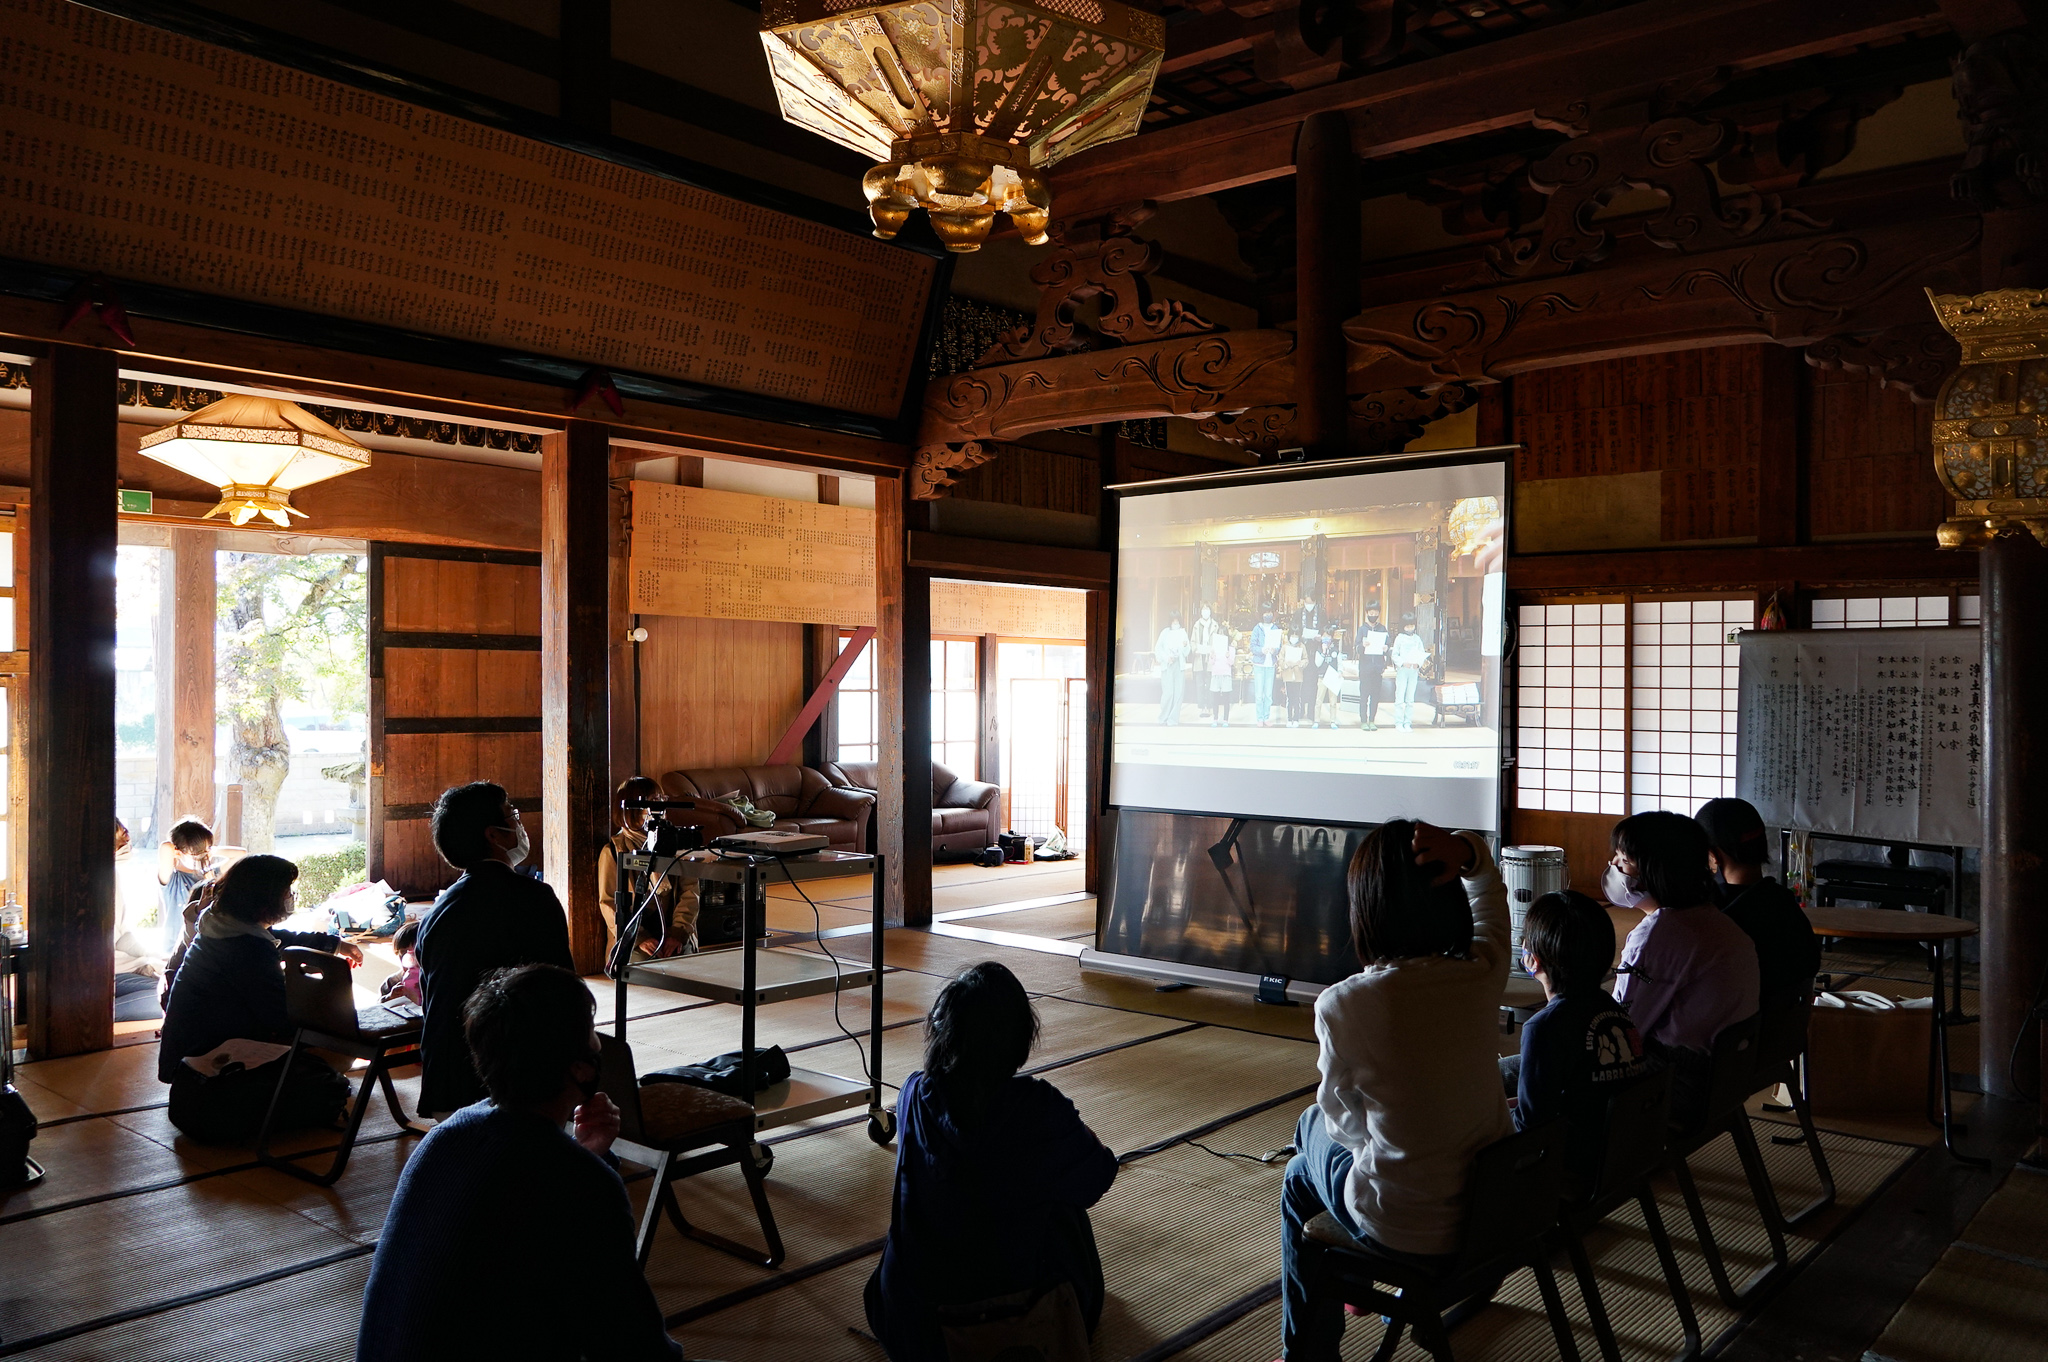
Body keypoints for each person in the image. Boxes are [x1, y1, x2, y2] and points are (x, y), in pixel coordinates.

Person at [355, 964, 682, 1362]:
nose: (598, 1043)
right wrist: (586, 1166)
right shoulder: (581, 1182)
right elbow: (634, 1346)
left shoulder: (446, 1138)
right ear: (580, 1067)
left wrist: (586, 1154)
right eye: (592, 1032)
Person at [1282, 820, 1511, 1360]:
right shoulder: (1481, 972)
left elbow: (1341, 1122)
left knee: (1301, 1160)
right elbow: (1492, 903)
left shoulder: (1344, 1004)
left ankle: (1311, 1352)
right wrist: (1468, 853)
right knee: (1326, 1144)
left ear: (1365, 908)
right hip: (1495, 1215)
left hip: (1407, 1230)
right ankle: (1357, 1290)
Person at [866, 962, 1117, 1362]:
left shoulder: (913, 1093)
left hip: (913, 1329)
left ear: (941, 1034)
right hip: (1019, 1326)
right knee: (1065, 1199)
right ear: (1020, 1038)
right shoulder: (1039, 1107)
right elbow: (1099, 1174)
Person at [157, 854, 362, 1143]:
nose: (290, 898)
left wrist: (333, 944)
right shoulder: (247, 950)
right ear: (264, 900)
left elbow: (277, 936)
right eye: (287, 892)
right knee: (339, 1053)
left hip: (187, 1057)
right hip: (214, 1061)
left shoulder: (219, 924)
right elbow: (280, 1018)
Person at [416, 781, 576, 1117]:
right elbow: (564, 992)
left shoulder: (437, 912)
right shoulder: (533, 898)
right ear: (493, 834)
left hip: (443, 1082)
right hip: (504, 1084)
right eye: (512, 816)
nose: (519, 825)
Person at [1607, 811, 1761, 1128]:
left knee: (1544, 1060)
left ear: (1654, 871)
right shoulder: (1715, 919)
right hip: (1725, 1080)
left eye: (1624, 860)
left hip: (1677, 1085)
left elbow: (1622, 1030)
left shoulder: (1658, 934)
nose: (1613, 866)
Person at [1501, 890, 1651, 1190]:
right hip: (1623, 1153)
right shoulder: (1612, 1007)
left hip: (1574, 1164)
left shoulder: (1543, 1027)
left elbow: (1530, 1129)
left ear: (1534, 961)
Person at [1695, 798, 1821, 1011]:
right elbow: (1810, 965)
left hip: (1732, 1023)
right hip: (1784, 1025)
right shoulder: (1783, 900)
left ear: (1713, 855)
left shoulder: (1714, 912)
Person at [598, 775, 698, 970]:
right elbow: (609, 903)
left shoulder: (675, 844)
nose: (659, 807)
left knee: (682, 961)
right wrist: (640, 938)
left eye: (661, 800)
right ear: (633, 808)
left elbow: (690, 893)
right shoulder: (613, 851)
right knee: (643, 964)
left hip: (671, 929)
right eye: (653, 801)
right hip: (633, 934)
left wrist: (678, 933)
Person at [113, 819, 165, 1023]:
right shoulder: (105, 876)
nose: (127, 841)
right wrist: (152, 956)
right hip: (113, 971)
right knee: (173, 995)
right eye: (120, 836)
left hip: (121, 968)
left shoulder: (111, 872)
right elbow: (120, 941)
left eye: (126, 833)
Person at [156, 818, 216, 954]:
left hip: (204, 947)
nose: (204, 856)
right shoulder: (172, 880)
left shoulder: (211, 874)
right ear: (177, 852)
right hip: (174, 948)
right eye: (196, 853)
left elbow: (240, 854)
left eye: (207, 850)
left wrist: (210, 851)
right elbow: (166, 847)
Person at [1389, 613, 1429, 732]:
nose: (1410, 628)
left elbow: (1421, 653)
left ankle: (1408, 722)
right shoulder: (1399, 638)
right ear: (1403, 626)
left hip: (1413, 671)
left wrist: (1418, 663)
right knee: (1399, 697)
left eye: (1412, 626)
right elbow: (1394, 655)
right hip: (1402, 670)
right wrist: (1402, 663)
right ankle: (1398, 722)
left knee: (1410, 699)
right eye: (1407, 626)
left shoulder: (1417, 639)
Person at [1358, 606, 1389, 731]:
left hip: (1377, 667)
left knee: (1375, 696)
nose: (1373, 615)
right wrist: (1362, 645)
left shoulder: (1382, 629)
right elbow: (1356, 646)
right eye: (1371, 613)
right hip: (1365, 667)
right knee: (1364, 696)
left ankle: (1372, 720)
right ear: (1367, 613)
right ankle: (1363, 720)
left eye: (1375, 613)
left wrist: (1386, 648)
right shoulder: (1362, 629)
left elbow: (1388, 644)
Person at [380, 919, 424, 1007]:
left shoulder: (435, 980)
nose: (411, 959)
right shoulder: (392, 982)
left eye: (416, 953)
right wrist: (390, 997)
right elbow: (378, 1008)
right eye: (403, 953)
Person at [1154, 613, 1188, 726]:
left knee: (1178, 693)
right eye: (1173, 621)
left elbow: (1187, 651)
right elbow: (1158, 648)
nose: (1175, 623)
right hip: (1168, 665)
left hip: (1179, 664)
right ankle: (1163, 717)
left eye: (1177, 621)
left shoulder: (1183, 633)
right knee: (1168, 692)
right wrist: (1166, 657)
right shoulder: (1165, 633)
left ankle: (1173, 719)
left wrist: (1185, 646)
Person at [1250, 609, 1282, 726]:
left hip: (1270, 664)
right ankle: (1259, 718)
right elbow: (1252, 646)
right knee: (1259, 694)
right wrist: (1261, 650)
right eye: (1265, 612)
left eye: (1270, 612)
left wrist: (1274, 650)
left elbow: (1279, 646)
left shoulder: (1275, 628)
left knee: (1268, 694)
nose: (1267, 615)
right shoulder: (1257, 629)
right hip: (1259, 664)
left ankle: (1266, 717)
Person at [1190, 603, 1218, 720]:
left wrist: (1214, 650)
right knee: (1200, 684)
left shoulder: (1215, 625)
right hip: (1199, 657)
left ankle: (1209, 705)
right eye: (1203, 609)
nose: (1205, 611)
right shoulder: (1196, 625)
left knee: (1210, 682)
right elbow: (1193, 641)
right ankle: (1202, 706)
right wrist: (1195, 649)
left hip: (1210, 657)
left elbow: (1217, 640)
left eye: (1207, 609)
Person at [1312, 632, 1345, 730]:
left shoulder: (1336, 650)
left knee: (1333, 702)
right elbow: (1317, 664)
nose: (1326, 638)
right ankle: (1316, 721)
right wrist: (1323, 651)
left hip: (1333, 677)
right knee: (1319, 701)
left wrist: (1340, 671)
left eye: (1328, 636)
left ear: (1331, 637)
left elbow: (1340, 663)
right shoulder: (1319, 650)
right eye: (1324, 636)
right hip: (1322, 677)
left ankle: (1333, 721)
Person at [1208, 625, 1236, 727]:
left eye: (1223, 634)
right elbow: (1211, 662)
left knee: (1226, 699)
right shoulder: (1213, 648)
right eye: (1219, 633)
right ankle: (1215, 719)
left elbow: (1231, 662)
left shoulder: (1230, 648)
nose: (1221, 636)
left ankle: (1225, 720)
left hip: (1226, 675)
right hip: (1216, 674)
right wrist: (1212, 656)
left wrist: (1228, 656)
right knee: (1215, 698)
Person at [1279, 630, 1307, 727]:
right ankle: (1289, 718)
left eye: (1296, 636)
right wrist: (1286, 664)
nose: (1294, 638)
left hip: (1298, 675)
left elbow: (1306, 659)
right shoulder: (1285, 647)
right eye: (1292, 636)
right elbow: (1280, 659)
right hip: (1288, 675)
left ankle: (1296, 718)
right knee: (1289, 698)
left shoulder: (1302, 646)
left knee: (1297, 698)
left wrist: (1301, 663)